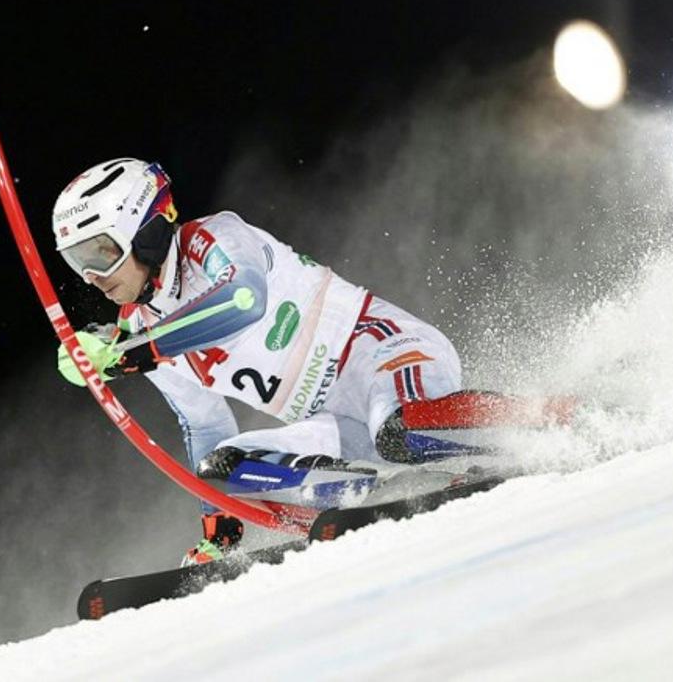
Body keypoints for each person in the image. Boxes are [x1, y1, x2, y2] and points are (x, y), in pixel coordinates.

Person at [52, 158, 466, 564]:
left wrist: (140, 350)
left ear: (146, 231)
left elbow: (244, 299)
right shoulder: (139, 332)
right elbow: (205, 423)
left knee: (399, 431)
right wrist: (220, 522)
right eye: (77, 261)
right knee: (225, 470)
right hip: (339, 427)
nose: (91, 275)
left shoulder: (211, 239)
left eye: (100, 252)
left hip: (388, 356)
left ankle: (520, 428)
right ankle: (378, 491)